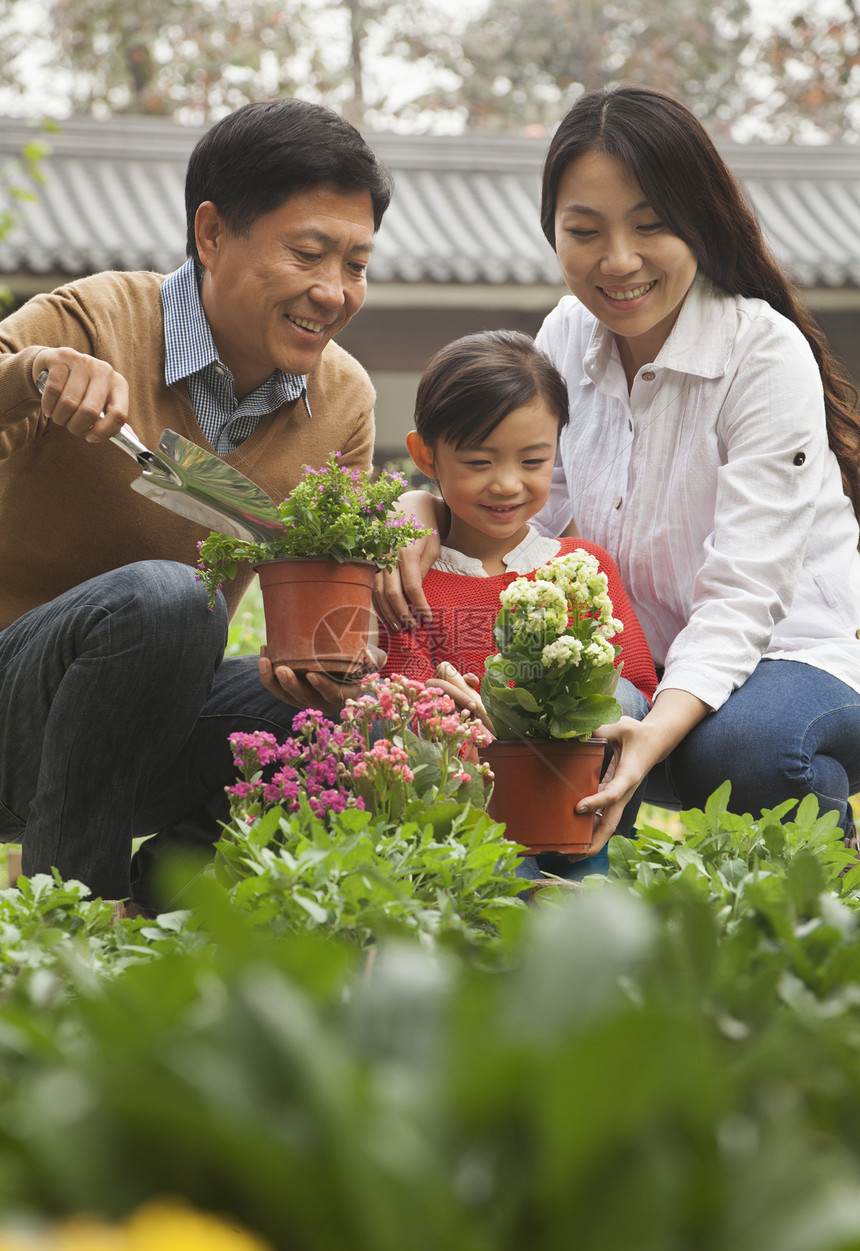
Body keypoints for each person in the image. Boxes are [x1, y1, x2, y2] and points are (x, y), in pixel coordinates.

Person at [380, 83, 860, 855]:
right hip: (640, 659)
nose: (620, 261)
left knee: (739, 750)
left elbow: (745, 596)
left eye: (652, 226)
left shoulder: (762, 355)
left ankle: (828, 883)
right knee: (559, 710)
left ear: (698, 223)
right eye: (585, 230)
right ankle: (555, 896)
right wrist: (425, 508)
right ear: (553, 232)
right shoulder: (567, 336)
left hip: (794, 654)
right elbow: (525, 513)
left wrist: (653, 729)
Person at [0, 98, 392, 911]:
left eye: (355, 263)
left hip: (149, 725)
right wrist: (32, 375)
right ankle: (72, 924)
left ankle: (168, 916)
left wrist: (333, 662)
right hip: (14, 712)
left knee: (362, 716)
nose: (334, 291)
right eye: (309, 253)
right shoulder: (93, 321)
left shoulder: (345, 398)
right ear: (211, 234)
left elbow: (330, 591)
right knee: (172, 599)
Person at [272, 329, 657, 877]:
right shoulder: (412, 578)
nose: (507, 484)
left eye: (533, 461)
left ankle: (585, 875)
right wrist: (466, 717)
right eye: (479, 462)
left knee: (620, 699)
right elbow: (406, 699)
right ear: (425, 454)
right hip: (470, 815)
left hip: (581, 814)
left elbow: (636, 689)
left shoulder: (582, 566)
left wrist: (517, 716)